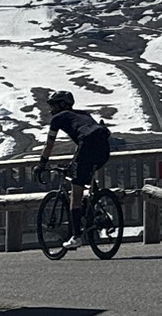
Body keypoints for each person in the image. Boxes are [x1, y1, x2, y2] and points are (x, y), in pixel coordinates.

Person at [37, 89, 113, 254]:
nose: (51, 109)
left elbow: (49, 145)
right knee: (85, 173)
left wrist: (41, 165)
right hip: (104, 147)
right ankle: (98, 210)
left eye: (53, 105)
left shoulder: (58, 118)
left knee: (76, 193)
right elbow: (86, 138)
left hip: (87, 145)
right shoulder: (82, 114)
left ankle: (76, 236)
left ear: (62, 105)